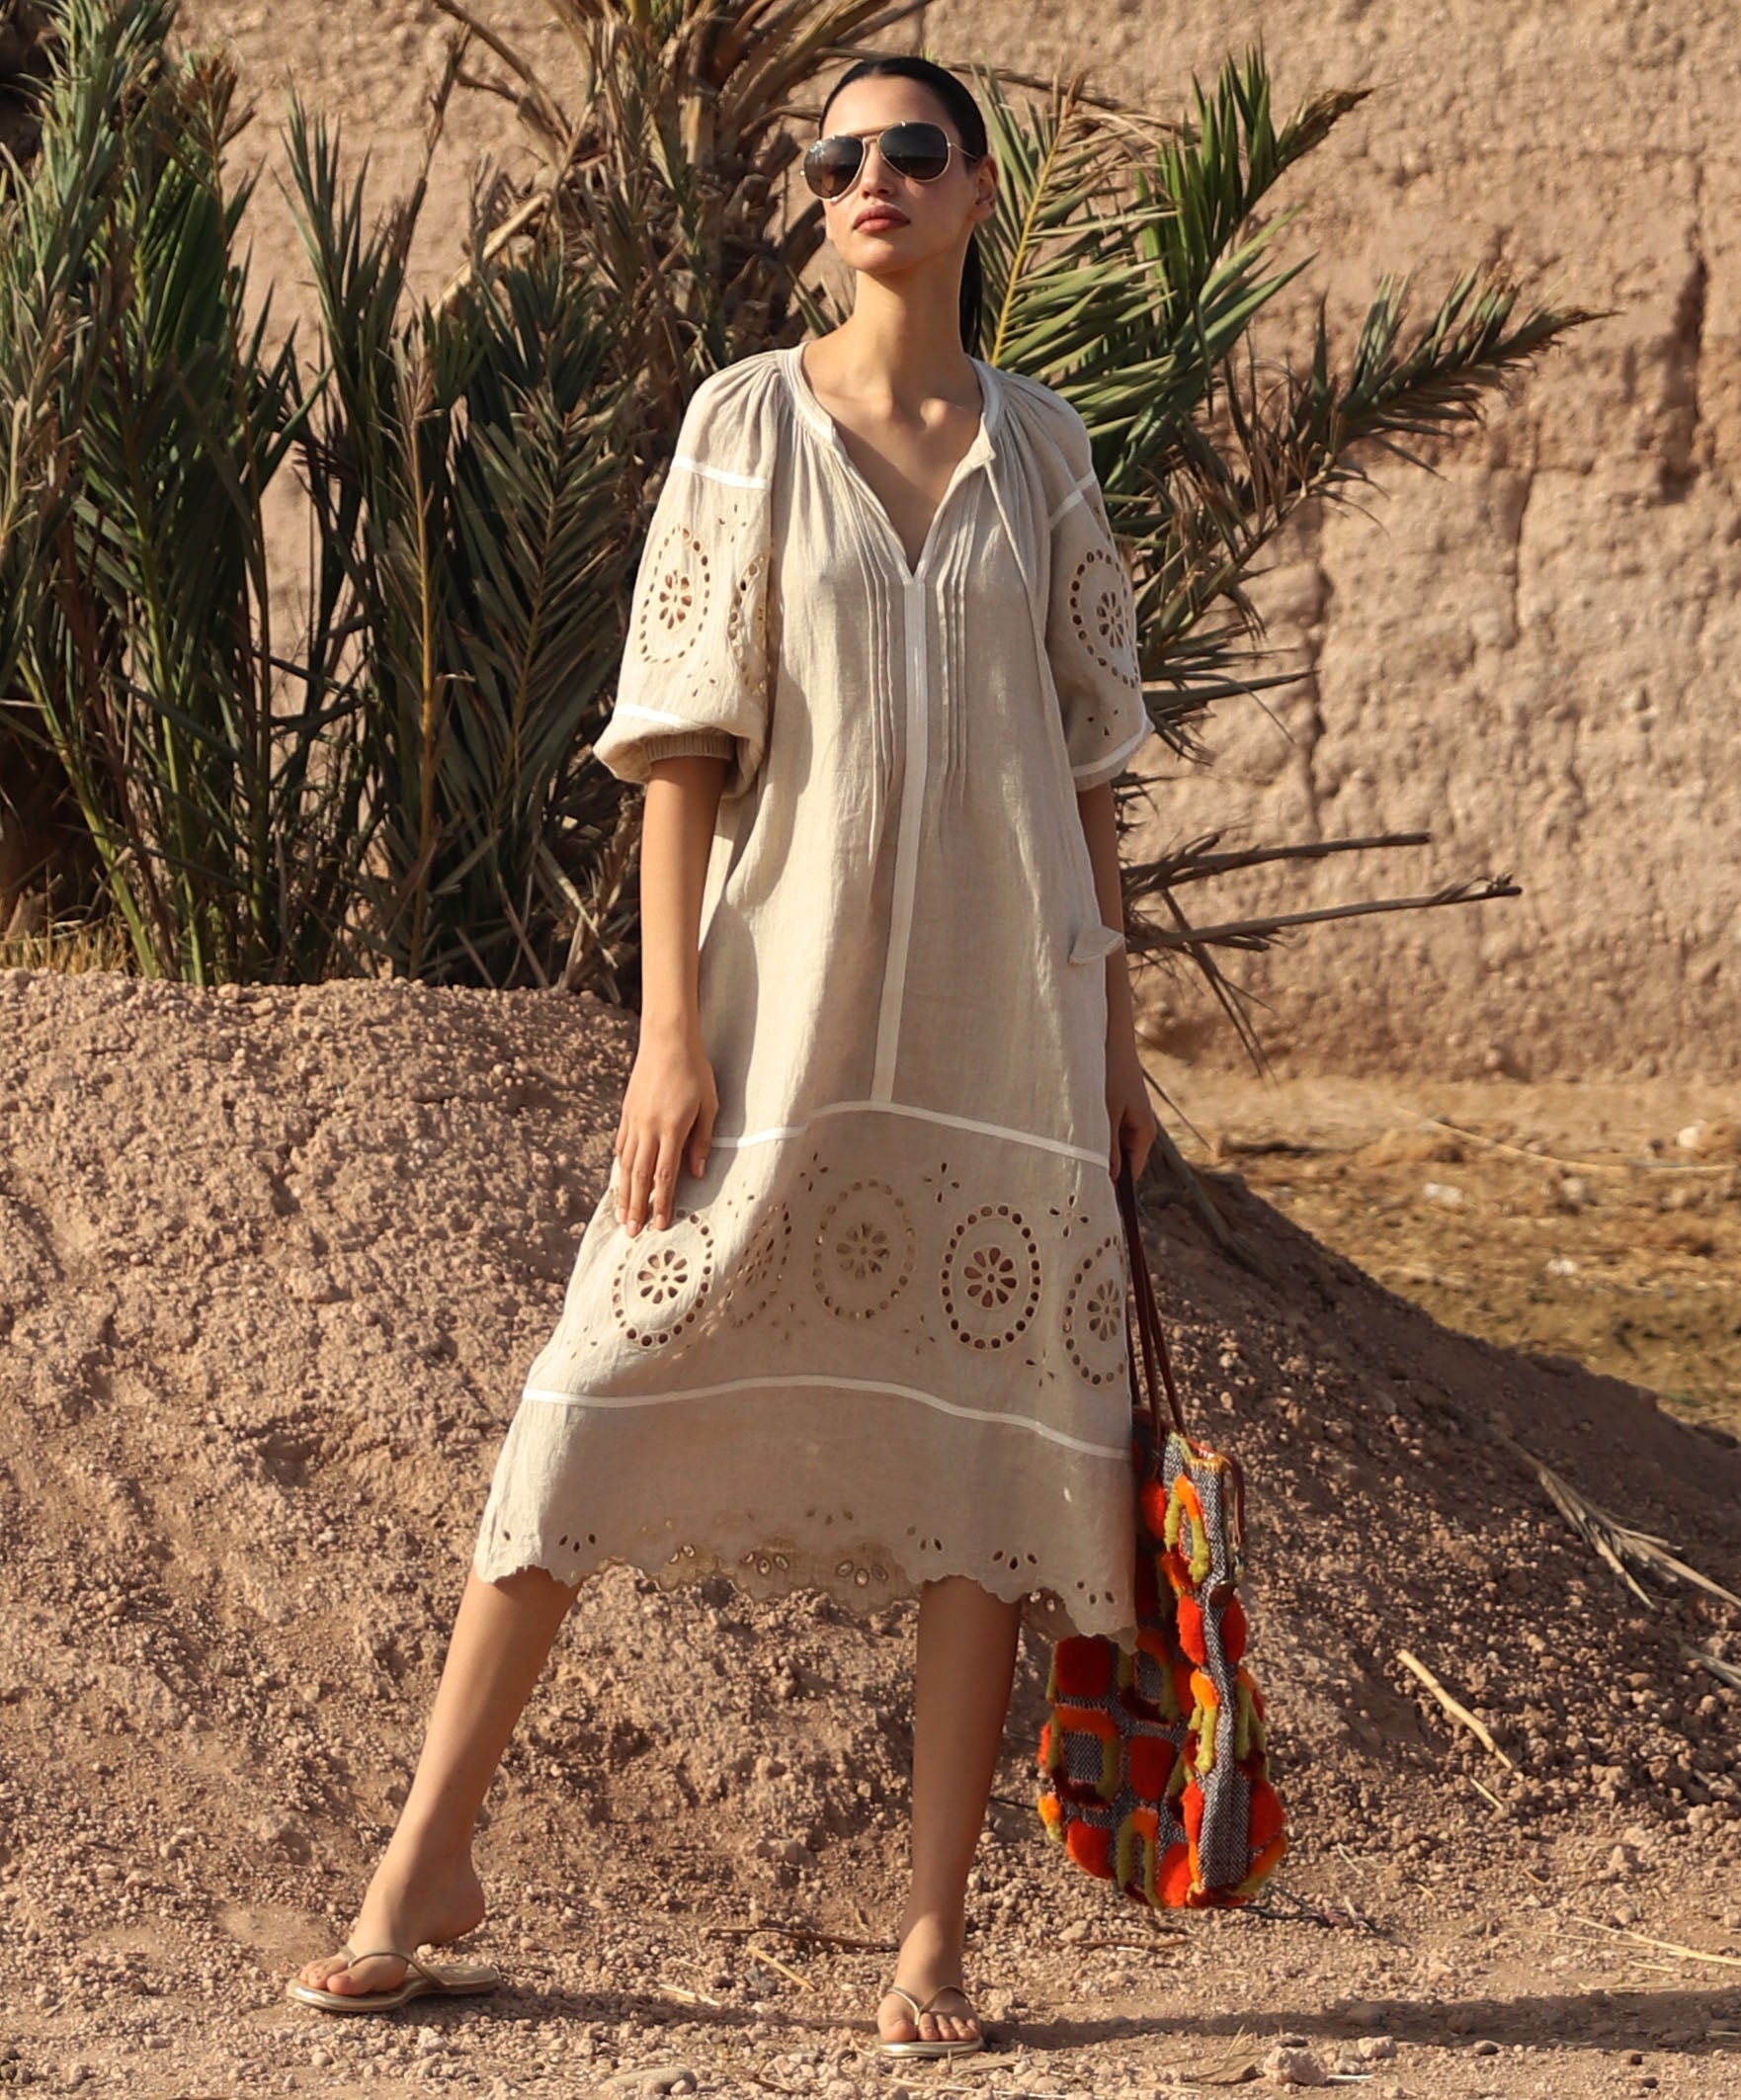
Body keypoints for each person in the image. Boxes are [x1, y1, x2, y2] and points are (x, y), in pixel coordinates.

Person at [289, 50, 1159, 2060]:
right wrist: (665, 1032)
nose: (864, 179)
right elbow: (681, 742)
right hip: (772, 1016)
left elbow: (1096, 762)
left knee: (973, 1456)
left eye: (906, 153)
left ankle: (929, 1932)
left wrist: (1115, 1028)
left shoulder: (1046, 449)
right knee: (589, 1389)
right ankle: (425, 1857)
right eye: (833, 157)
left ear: (973, 193)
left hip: (1002, 1024)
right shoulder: (741, 425)